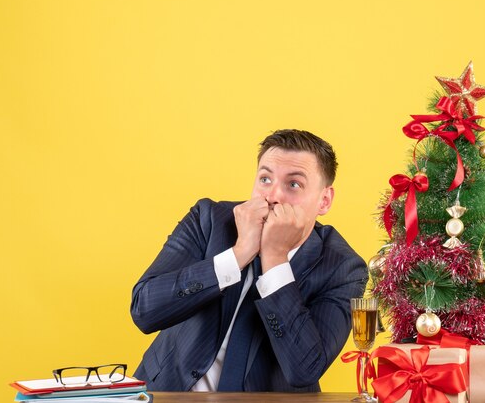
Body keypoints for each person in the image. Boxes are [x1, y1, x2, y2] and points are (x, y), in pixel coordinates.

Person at [130, 129, 368, 392]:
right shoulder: (208, 219)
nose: (273, 196)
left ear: (324, 200)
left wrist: (276, 258)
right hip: (168, 391)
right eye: (265, 179)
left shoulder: (343, 267)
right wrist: (238, 254)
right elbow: (144, 310)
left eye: (294, 184)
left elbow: (305, 370)